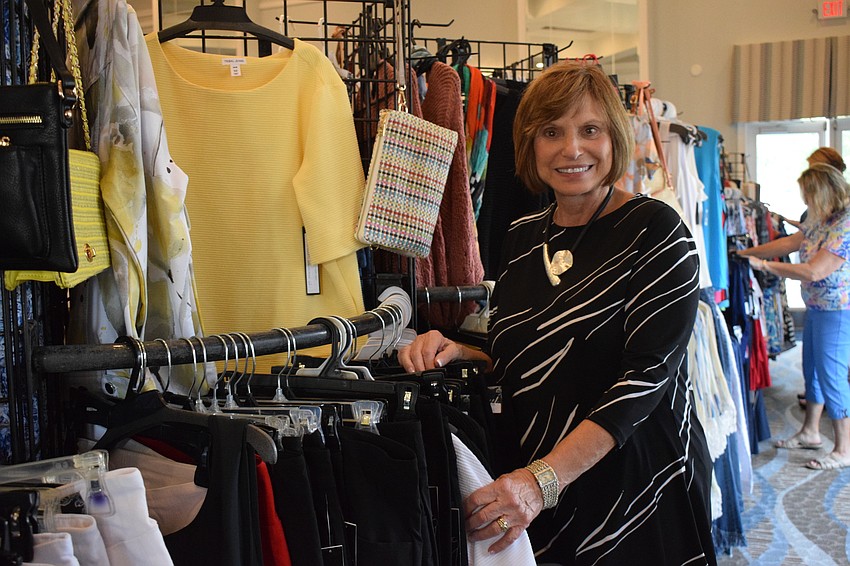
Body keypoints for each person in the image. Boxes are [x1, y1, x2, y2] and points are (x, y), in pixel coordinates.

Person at [398, 60, 716, 564]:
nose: (571, 149)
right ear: (529, 143)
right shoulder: (523, 237)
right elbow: (522, 359)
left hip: (632, 488)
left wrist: (541, 482)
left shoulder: (656, 231)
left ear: (614, 138)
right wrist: (458, 350)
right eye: (551, 132)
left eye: (590, 130)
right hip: (536, 483)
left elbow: (644, 381)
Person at [738, 163, 850, 471]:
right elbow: (791, 243)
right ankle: (811, 432)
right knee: (812, 370)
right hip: (817, 307)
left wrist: (766, 266)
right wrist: (750, 253)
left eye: (808, 195)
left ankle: (844, 448)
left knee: (831, 375)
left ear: (822, 192)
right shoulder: (823, 218)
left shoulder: (845, 225)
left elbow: (814, 270)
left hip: (837, 311)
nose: (805, 201)